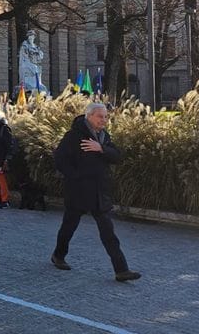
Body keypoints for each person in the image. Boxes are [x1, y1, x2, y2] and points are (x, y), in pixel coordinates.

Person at [50, 102, 140, 282]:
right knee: (69, 227)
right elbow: (59, 160)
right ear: (89, 116)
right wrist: (75, 176)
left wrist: (101, 149)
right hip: (78, 191)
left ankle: (121, 270)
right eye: (100, 116)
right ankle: (58, 255)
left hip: (100, 192)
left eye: (106, 117)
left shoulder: (104, 136)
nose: (104, 120)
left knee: (108, 233)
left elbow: (117, 156)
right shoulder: (73, 136)